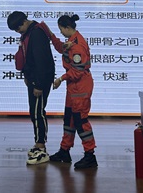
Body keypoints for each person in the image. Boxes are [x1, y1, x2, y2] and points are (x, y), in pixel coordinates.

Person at [47, 14, 98, 169]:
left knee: (80, 121)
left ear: (67, 28)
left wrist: (60, 79)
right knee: (69, 119)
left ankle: (90, 155)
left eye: (61, 30)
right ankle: (64, 151)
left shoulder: (77, 46)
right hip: (73, 89)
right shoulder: (72, 41)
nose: (61, 33)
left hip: (80, 88)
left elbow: (78, 71)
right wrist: (50, 34)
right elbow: (61, 48)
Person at [7, 11, 55, 165]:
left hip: (40, 81)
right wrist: (28, 77)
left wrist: (39, 85)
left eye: (17, 28)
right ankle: (38, 144)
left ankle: (41, 147)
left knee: (38, 113)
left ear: (24, 22)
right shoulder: (29, 33)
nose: (17, 32)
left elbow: (42, 61)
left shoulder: (37, 33)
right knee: (34, 112)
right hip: (33, 79)